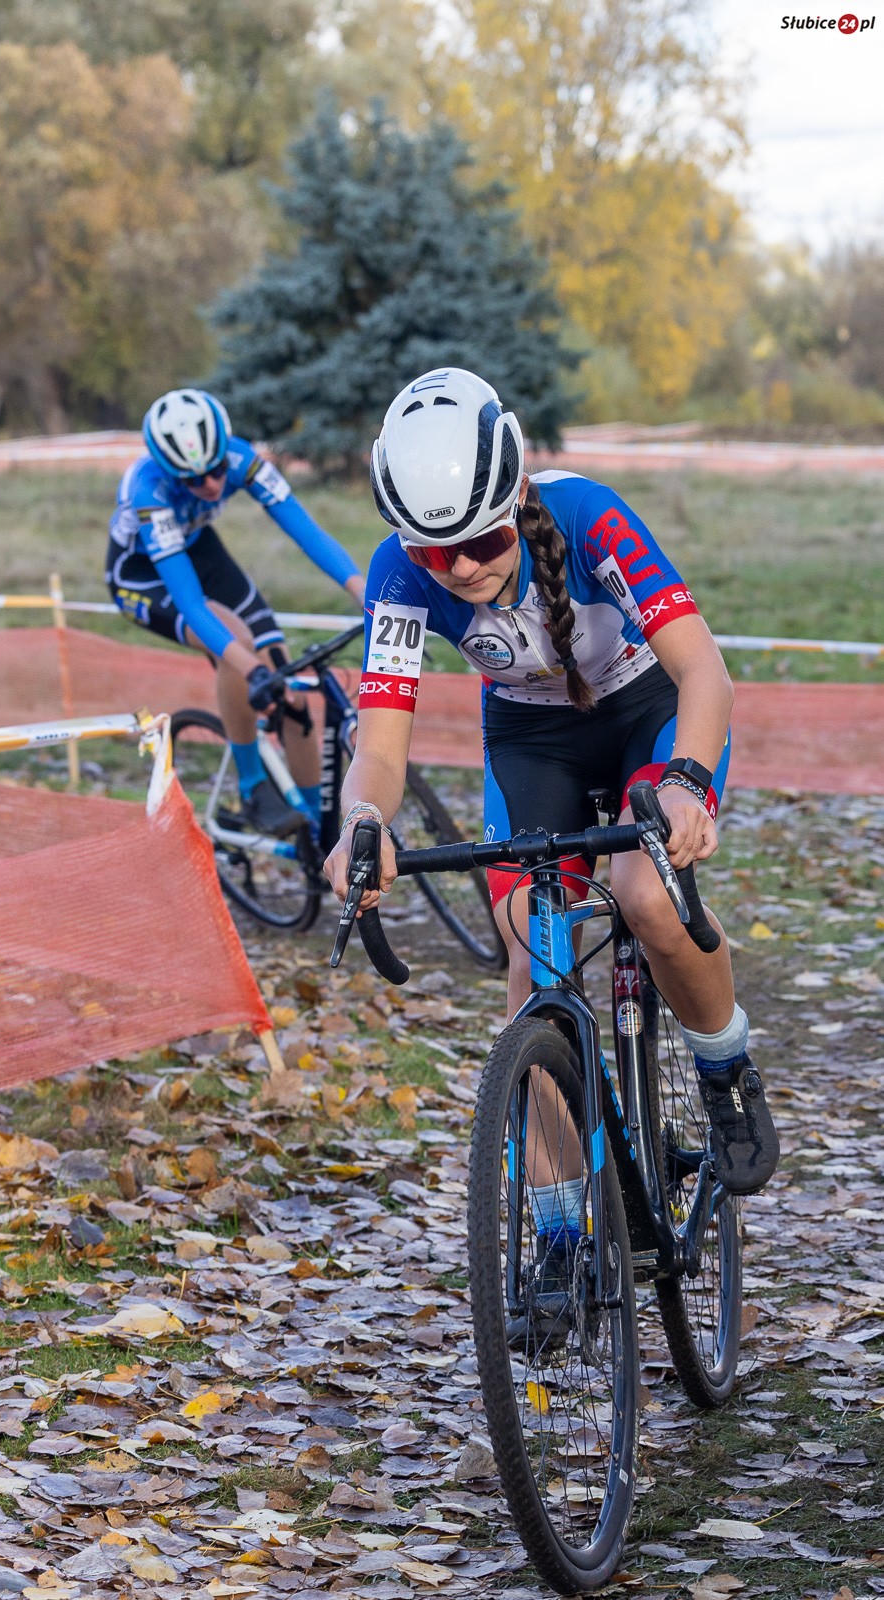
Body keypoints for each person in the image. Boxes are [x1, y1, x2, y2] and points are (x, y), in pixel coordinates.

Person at [325, 367, 779, 1205]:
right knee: (527, 946)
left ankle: (724, 1069)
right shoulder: (396, 575)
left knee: (646, 896)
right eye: (434, 552)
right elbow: (380, 748)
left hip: (647, 711)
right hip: (533, 737)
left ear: (516, 500)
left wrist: (686, 781)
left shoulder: (588, 516)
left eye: (483, 542)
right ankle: (562, 1229)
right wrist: (361, 818)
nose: (460, 568)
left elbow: (703, 671)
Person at [108, 388, 366, 835]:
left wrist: (363, 591)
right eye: (194, 481)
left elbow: (307, 533)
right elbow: (191, 605)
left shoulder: (242, 458)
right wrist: (252, 670)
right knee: (237, 646)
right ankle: (251, 786)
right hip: (142, 575)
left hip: (199, 550)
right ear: (169, 471)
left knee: (292, 694)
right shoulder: (148, 489)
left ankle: (317, 834)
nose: (210, 486)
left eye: (216, 471)